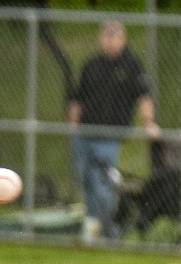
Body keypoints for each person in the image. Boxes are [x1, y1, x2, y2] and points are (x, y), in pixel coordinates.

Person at [67, 19, 160, 242]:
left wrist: (149, 122)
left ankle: (108, 231)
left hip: (109, 137)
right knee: (87, 181)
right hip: (85, 134)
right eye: (105, 36)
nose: (109, 41)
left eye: (114, 37)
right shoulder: (92, 64)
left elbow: (144, 96)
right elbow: (77, 98)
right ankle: (94, 226)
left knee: (103, 185)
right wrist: (73, 126)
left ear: (122, 38)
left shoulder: (131, 65)